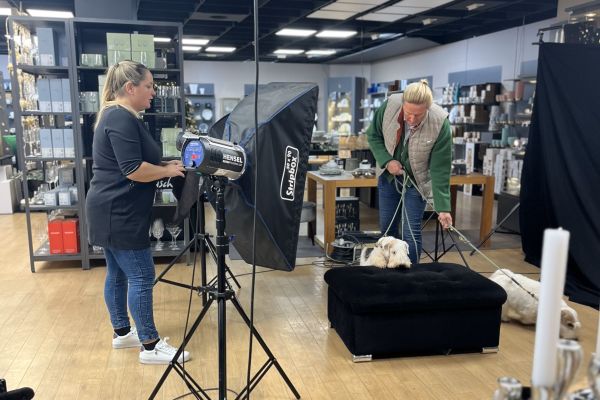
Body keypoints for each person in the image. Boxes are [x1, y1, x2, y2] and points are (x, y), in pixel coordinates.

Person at [85, 60, 189, 365]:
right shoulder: (121, 117)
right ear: (131, 88)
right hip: (119, 212)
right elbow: (132, 169)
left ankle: (122, 333)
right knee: (142, 275)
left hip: (108, 208)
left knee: (117, 273)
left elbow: (129, 163)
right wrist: (166, 171)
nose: (153, 92)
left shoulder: (116, 114)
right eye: (149, 86)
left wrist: (164, 166)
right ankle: (150, 346)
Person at [366, 80, 453, 264]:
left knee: (411, 233)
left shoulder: (440, 122)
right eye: (408, 113)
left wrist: (443, 207)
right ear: (403, 103)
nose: (411, 119)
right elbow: (373, 135)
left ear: (428, 108)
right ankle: (386, 273)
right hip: (388, 178)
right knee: (387, 230)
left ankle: (412, 274)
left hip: (417, 182)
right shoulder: (389, 106)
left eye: (418, 115)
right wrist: (387, 160)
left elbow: (440, 168)